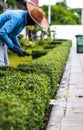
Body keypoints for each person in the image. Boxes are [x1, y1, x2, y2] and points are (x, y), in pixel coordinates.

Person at [0, 1, 49, 66]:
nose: (34, 24)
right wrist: (12, 47)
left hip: (1, 39)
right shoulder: (18, 18)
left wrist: (18, 47)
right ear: (30, 17)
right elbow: (2, 33)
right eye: (34, 22)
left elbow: (12, 33)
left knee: (6, 64)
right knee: (1, 65)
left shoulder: (23, 18)